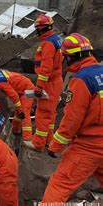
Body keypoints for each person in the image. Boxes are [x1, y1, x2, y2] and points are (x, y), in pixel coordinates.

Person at [40, 33, 103, 203]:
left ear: (70, 57)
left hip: (89, 146)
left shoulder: (81, 80)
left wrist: (55, 146)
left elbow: (72, 120)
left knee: (59, 185)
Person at [26, 14, 64, 151]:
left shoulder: (48, 43)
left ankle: (38, 143)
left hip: (49, 83)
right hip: (56, 81)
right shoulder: (56, 40)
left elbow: (46, 67)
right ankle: (49, 140)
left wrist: (39, 86)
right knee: (51, 114)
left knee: (42, 113)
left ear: (40, 29)